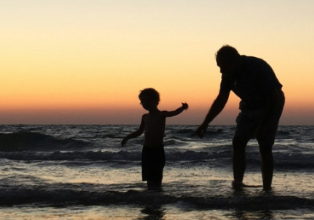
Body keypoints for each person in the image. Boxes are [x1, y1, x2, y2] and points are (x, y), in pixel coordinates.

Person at [195, 45, 284, 190]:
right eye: (219, 67)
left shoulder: (256, 67)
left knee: (265, 146)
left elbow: (273, 97)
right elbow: (221, 99)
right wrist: (205, 123)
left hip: (271, 103)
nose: (221, 71)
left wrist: (262, 126)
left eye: (223, 66)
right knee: (238, 142)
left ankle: (267, 188)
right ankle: (238, 183)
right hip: (249, 105)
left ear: (235, 61)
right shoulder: (228, 75)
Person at [121, 88, 188, 189]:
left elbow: (174, 112)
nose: (145, 103)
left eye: (147, 101)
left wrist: (182, 108)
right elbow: (139, 131)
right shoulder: (145, 117)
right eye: (142, 102)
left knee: (157, 175)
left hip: (158, 150)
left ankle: (157, 195)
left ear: (156, 101)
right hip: (147, 150)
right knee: (148, 176)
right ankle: (151, 196)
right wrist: (127, 137)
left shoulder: (162, 114)